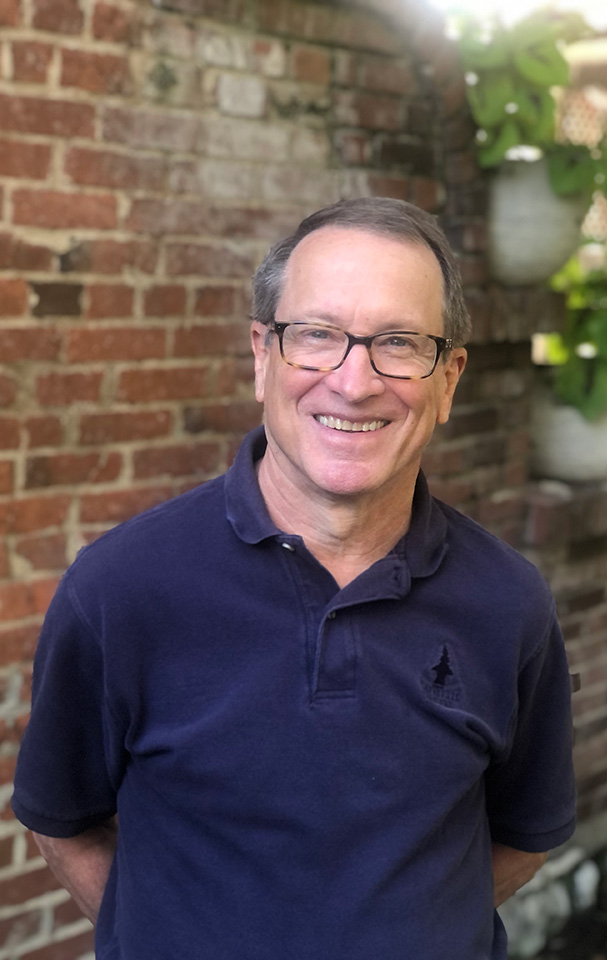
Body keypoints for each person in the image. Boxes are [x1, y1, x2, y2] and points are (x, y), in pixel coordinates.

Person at [12, 198, 576, 960]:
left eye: (400, 344)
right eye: (316, 336)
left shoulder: (509, 605)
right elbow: (61, 818)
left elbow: (521, 838)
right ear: (261, 354)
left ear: (448, 381)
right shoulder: (121, 589)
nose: (353, 382)